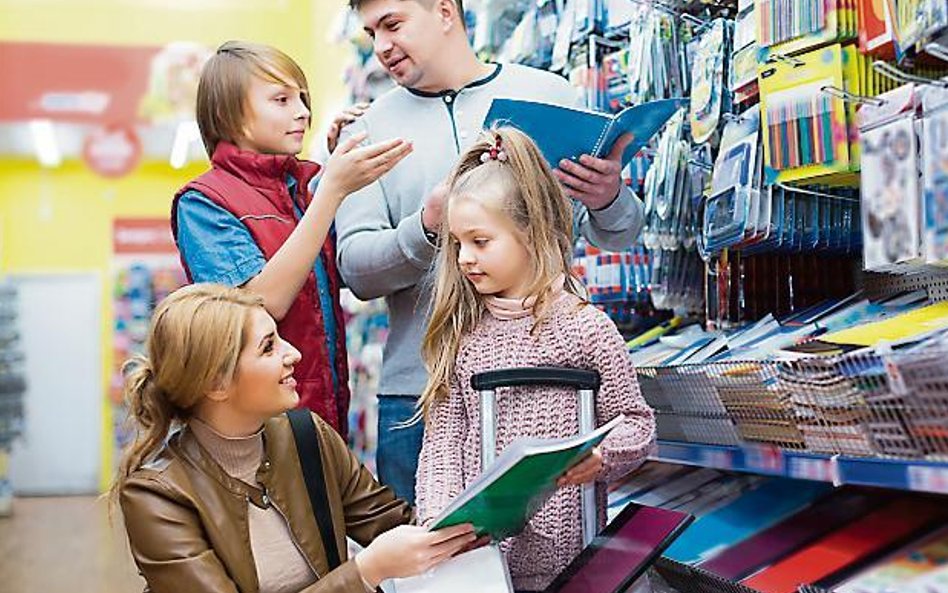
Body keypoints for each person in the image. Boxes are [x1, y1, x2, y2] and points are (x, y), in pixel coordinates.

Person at [336, 0, 646, 503]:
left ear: (443, 11)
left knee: (557, 555)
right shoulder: (365, 133)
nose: (382, 47)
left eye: (393, 25)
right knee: (433, 572)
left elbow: (620, 232)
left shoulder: (550, 95)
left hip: (550, 384)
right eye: (371, 32)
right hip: (423, 396)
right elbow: (357, 270)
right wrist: (428, 226)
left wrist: (608, 196)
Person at [112, 283, 478, 593]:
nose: (294, 354)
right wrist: (366, 572)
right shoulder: (155, 496)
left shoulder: (306, 436)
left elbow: (396, 524)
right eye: (268, 347)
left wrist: (489, 513)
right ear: (216, 383)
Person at [413, 127, 656, 592]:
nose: (465, 258)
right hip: (487, 564)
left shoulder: (587, 327)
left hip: (576, 556)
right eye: (458, 244)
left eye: (481, 242)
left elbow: (636, 422)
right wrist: (438, 522)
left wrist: (602, 456)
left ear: (530, 233)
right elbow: (443, 445)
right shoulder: (464, 336)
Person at [172, 41, 412, 439]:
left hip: (325, 416)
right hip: (258, 430)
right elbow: (261, 304)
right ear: (224, 113)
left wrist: (336, 167)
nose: (302, 111)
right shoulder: (203, 202)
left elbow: (352, 269)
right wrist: (331, 190)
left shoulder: (306, 185)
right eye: (281, 99)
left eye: (302, 98)